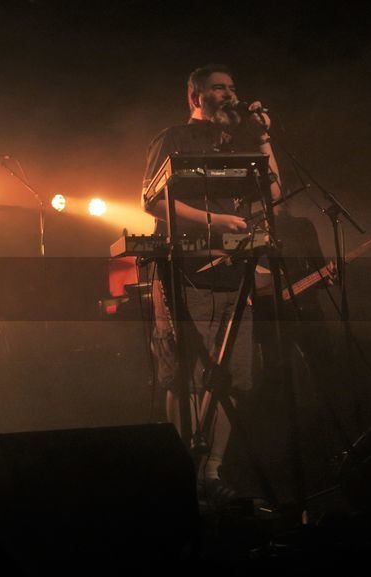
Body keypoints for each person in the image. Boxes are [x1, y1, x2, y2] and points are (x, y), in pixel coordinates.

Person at [140, 64, 285, 502]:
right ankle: (182, 470)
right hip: (187, 273)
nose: (229, 94)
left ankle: (211, 472)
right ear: (195, 96)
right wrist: (215, 220)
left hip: (234, 275)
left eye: (232, 87)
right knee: (187, 378)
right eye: (219, 88)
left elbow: (274, 194)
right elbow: (150, 199)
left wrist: (262, 138)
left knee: (233, 380)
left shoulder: (237, 143)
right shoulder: (173, 138)